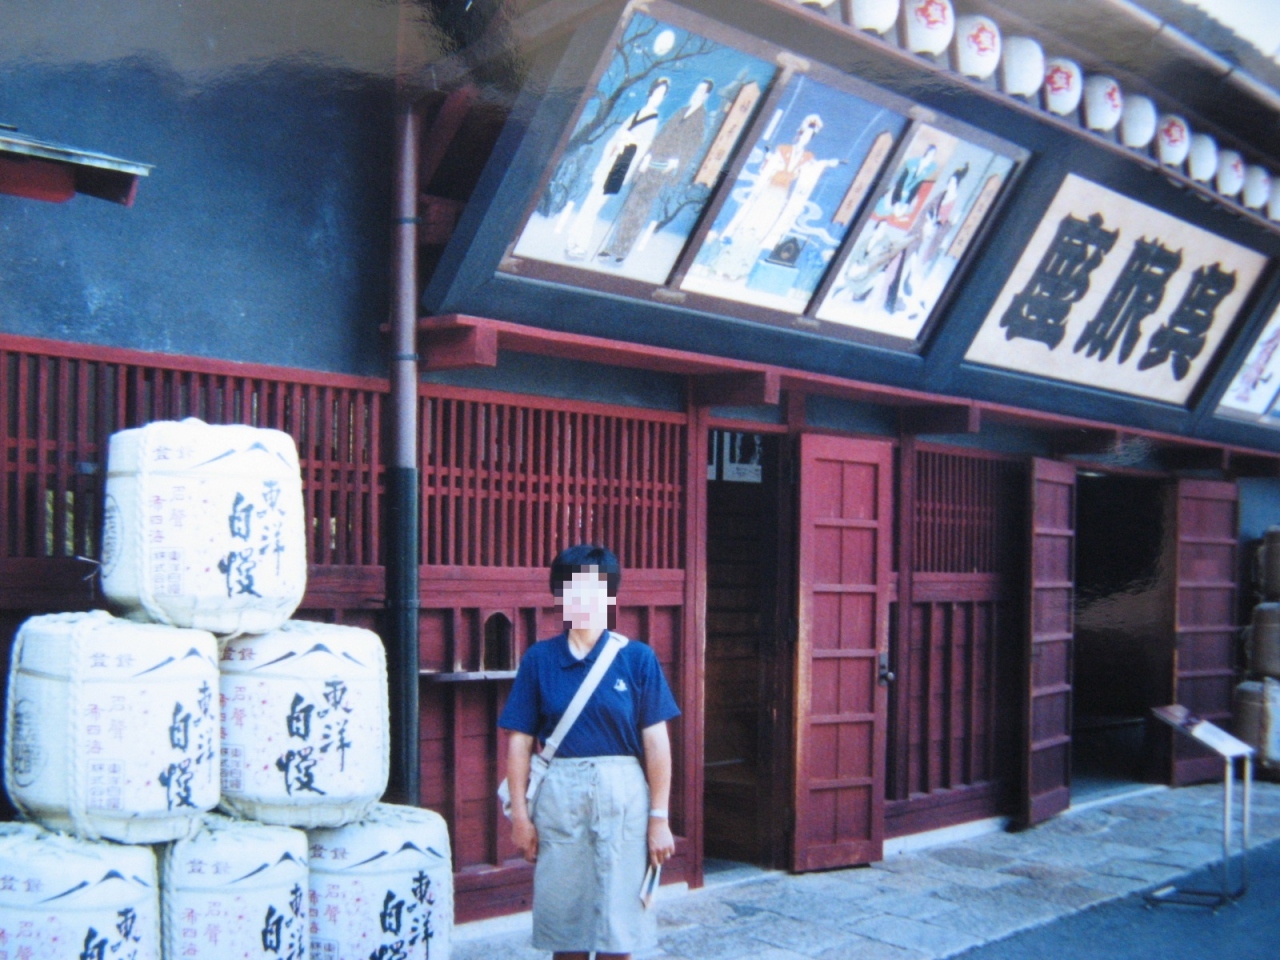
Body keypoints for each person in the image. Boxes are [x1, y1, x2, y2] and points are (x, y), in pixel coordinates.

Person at [499, 544, 681, 960]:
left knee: (620, 929)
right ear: (559, 596)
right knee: (567, 929)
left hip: (625, 800)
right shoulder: (540, 659)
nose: (583, 600)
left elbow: (657, 743)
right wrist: (521, 818)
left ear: (610, 595)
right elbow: (519, 742)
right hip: (560, 799)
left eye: (595, 589)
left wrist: (659, 818)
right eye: (571, 589)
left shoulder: (637, 659)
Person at [564, 79, 669, 261]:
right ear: (650, 93)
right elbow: (616, 137)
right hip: (610, 161)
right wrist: (617, 144)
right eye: (656, 93)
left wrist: (629, 140)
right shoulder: (637, 113)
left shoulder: (652, 120)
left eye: (661, 95)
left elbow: (642, 147)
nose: (657, 98)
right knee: (589, 202)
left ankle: (581, 244)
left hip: (621, 166)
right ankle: (573, 240)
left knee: (595, 206)